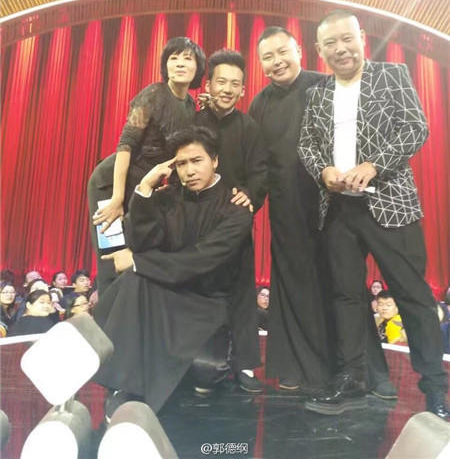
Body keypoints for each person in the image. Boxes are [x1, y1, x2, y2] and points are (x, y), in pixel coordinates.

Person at [297, 9, 449, 418]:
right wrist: (323, 171)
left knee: (413, 296)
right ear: (319, 50)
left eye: (347, 39)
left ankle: (435, 389)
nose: (341, 49)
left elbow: (415, 127)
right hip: (338, 209)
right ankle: (353, 378)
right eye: (331, 43)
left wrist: (374, 165)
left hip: (390, 203)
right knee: (347, 296)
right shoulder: (318, 93)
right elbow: (307, 144)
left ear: (361, 38)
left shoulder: (392, 75)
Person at [93, 126, 253, 415]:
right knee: (135, 280)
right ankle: (124, 387)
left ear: (215, 160)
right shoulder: (168, 197)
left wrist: (138, 261)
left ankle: (129, 371)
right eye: (181, 164)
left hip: (206, 306)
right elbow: (143, 243)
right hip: (165, 293)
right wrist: (144, 188)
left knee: (208, 371)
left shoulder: (236, 208)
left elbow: (201, 259)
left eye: (197, 161)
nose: (189, 171)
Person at [88, 37, 206, 294]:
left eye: (187, 58)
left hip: (144, 187)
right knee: (112, 257)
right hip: (112, 182)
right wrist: (117, 198)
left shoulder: (190, 105)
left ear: (198, 67)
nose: (180, 63)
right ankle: (108, 315)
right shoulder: (153, 94)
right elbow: (125, 145)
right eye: (173, 58)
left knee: (136, 256)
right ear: (165, 65)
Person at [249, 26, 330, 392]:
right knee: (292, 287)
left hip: (331, 205)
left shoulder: (324, 86)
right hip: (285, 208)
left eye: (283, 52)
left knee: (334, 284)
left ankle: (339, 368)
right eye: (268, 57)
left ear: (299, 50)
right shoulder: (260, 104)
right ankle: (293, 367)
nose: (277, 61)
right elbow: (257, 163)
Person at [195, 49, 268, 393]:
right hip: (195, 221)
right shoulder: (193, 122)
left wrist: (250, 195)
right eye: (221, 81)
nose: (227, 89)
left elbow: (260, 172)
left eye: (234, 84)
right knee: (197, 292)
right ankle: (194, 363)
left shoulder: (249, 127)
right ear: (208, 85)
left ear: (243, 90)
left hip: (235, 222)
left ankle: (245, 365)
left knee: (241, 293)